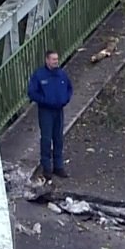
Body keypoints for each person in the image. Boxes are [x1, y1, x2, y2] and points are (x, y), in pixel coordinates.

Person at [27, 50, 74, 178]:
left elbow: (70, 88)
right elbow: (32, 92)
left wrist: (65, 99)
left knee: (58, 138)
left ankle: (58, 166)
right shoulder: (39, 75)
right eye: (53, 59)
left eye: (56, 59)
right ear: (47, 60)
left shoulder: (61, 74)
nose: (56, 61)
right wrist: (45, 101)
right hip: (46, 111)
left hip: (59, 110)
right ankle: (46, 167)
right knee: (46, 138)